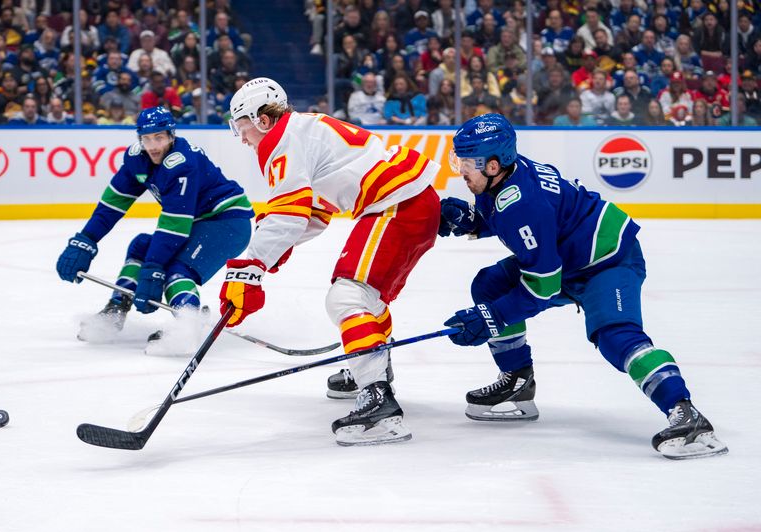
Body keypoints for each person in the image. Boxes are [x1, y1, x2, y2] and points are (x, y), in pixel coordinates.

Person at [437, 113, 727, 460]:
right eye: (459, 160)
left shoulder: (522, 201)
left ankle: (686, 414)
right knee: (490, 284)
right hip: (569, 260)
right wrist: (473, 220)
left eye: (467, 163)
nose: (461, 170)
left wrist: (493, 318)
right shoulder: (503, 178)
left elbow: (542, 286)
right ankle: (517, 382)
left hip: (609, 261)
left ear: (494, 164)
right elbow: (516, 218)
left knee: (614, 336)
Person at [223, 77, 441, 446]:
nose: (241, 137)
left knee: (347, 297)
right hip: (409, 203)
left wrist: (249, 270)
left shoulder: (279, 141)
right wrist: (274, 251)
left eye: (241, 125)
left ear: (262, 119)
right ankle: (373, 370)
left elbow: (288, 215)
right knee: (365, 297)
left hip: (397, 206)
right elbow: (314, 213)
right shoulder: (303, 129)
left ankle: (378, 402)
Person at [55, 107, 254, 344]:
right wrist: (86, 240)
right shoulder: (137, 160)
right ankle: (116, 309)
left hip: (228, 223)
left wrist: (154, 267)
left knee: (176, 270)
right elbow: (112, 205)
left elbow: (174, 226)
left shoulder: (182, 163)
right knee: (141, 247)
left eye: (159, 137)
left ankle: (187, 327)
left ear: (171, 135)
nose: (153, 145)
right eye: (147, 138)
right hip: (199, 221)